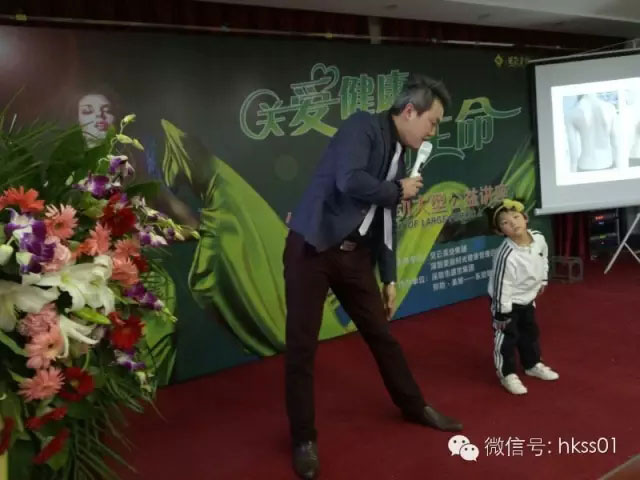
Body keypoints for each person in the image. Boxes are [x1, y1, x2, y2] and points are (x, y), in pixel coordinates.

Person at [284, 74, 462, 479]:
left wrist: (390, 277)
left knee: (382, 335)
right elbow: (350, 180)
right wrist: (399, 190)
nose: (433, 132)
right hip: (312, 249)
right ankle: (303, 438)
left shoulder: (399, 152)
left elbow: (385, 220)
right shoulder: (362, 126)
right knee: (302, 347)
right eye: (432, 122)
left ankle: (414, 406)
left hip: (354, 258)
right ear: (410, 111)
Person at [486, 199, 559, 396]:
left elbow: (544, 258)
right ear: (500, 231)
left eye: (516, 217)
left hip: (528, 298)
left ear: (525, 218)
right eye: (505, 222)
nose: (513, 223)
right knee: (507, 338)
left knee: (529, 332)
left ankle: (532, 364)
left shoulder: (539, 238)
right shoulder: (506, 254)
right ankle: (507, 374)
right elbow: (502, 286)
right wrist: (502, 313)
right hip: (507, 302)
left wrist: (543, 279)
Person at [564, 94, 624, 172]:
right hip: (607, 163)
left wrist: (573, 173)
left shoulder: (571, 113)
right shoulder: (610, 108)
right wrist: (620, 170)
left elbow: (573, 150)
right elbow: (616, 144)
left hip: (585, 165)